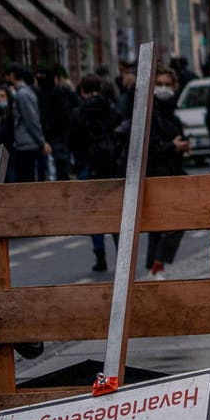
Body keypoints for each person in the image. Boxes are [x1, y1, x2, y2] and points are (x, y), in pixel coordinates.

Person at [141, 67, 192, 280]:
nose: (163, 89)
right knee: (171, 223)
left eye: (167, 85)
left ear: (175, 87)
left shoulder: (170, 111)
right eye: (159, 84)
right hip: (157, 175)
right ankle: (156, 267)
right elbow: (150, 146)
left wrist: (180, 146)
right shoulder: (151, 112)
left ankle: (155, 267)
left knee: (170, 224)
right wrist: (173, 147)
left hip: (171, 173)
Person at [69, 75, 123, 272]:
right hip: (111, 165)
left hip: (87, 166)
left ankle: (100, 256)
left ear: (82, 90)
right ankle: (122, 255)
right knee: (117, 213)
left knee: (94, 213)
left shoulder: (78, 112)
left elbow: (72, 140)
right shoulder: (111, 109)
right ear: (100, 89)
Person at [2, 65, 49, 182]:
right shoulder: (23, 93)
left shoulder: (23, 94)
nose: (6, 79)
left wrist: (42, 142)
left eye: (7, 76)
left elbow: (32, 120)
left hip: (28, 145)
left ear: (12, 75)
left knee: (27, 180)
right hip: (25, 144)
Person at [39, 66, 77, 180]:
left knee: (60, 165)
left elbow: (64, 115)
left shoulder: (56, 92)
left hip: (58, 136)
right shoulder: (46, 92)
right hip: (53, 135)